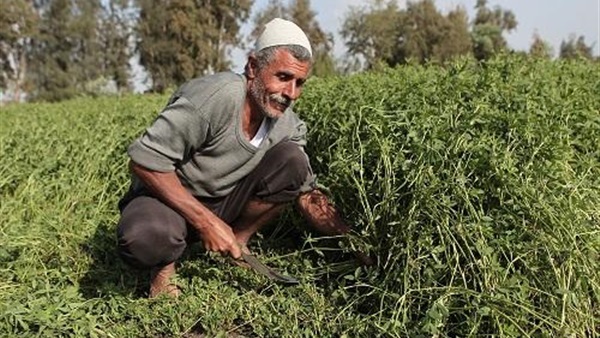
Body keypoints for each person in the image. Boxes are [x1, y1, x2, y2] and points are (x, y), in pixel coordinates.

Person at [117, 18, 365, 298]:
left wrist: (354, 243)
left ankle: (237, 244)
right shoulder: (215, 98)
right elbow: (144, 161)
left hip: (224, 203)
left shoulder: (287, 125)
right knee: (146, 236)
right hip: (168, 201)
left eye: (299, 83)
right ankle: (164, 268)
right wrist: (206, 223)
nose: (291, 93)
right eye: (283, 77)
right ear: (253, 67)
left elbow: (307, 194)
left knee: (293, 161)